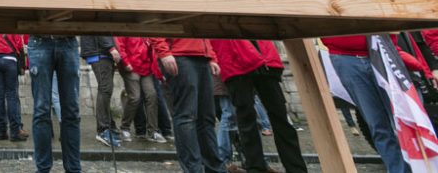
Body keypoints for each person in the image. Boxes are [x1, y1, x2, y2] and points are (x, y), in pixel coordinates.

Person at [314, 0, 417, 173]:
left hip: (378, 56)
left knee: (402, 117)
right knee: (377, 123)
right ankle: (397, 169)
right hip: (347, 60)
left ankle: (418, 166)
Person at [210, 39, 308, 173]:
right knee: (247, 121)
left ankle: (295, 168)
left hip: (263, 60)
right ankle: (256, 167)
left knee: (279, 119)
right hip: (235, 60)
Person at [150, 36, 224, 173]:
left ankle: (215, 169)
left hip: (202, 56)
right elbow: (154, 22)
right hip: (179, 54)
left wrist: (212, 56)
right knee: (186, 115)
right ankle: (193, 169)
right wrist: (164, 52)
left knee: (207, 118)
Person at [29, 31, 82, 173]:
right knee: (41, 111)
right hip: (40, 39)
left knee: (72, 112)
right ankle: (43, 169)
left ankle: (73, 169)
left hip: (68, 40)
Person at [116, 36, 166, 143]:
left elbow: (153, 54)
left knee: (152, 96)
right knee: (135, 97)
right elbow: (120, 46)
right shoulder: (126, 29)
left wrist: (160, 75)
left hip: (146, 69)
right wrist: (126, 63)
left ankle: (153, 131)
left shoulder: (146, 32)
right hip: (131, 68)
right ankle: (124, 128)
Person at [81, 35, 122, 148]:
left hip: (102, 52)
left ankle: (109, 125)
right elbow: (100, 28)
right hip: (99, 52)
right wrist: (111, 47)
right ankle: (103, 129)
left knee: (106, 90)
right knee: (105, 89)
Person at [0, 32, 29, 141]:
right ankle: (15, 131)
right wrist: (23, 66)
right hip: (10, 60)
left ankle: (1, 131)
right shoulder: (11, 26)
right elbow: (20, 45)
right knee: (11, 96)